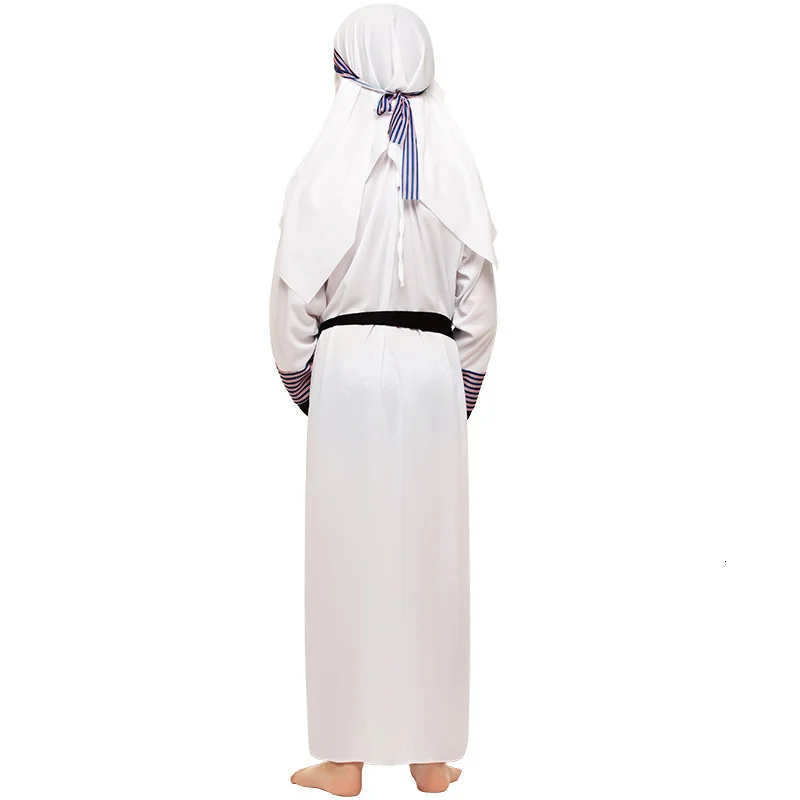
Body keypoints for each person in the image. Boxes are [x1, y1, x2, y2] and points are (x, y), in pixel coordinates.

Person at [269, 4, 498, 795]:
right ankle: (430, 756)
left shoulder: (322, 175)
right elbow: (479, 303)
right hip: (433, 373)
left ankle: (346, 759)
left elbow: (294, 301)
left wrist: (312, 385)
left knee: (348, 561)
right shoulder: (456, 172)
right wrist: (453, 390)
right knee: (430, 560)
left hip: (348, 376)